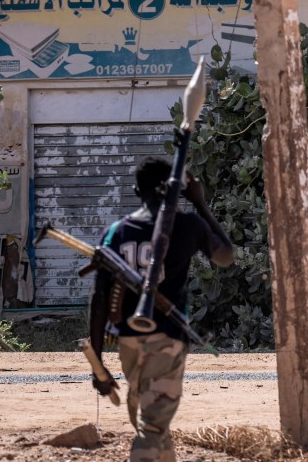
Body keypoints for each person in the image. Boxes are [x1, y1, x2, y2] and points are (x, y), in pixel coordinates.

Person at [89, 156, 234, 461]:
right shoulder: (189, 225)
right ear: (176, 190)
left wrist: (98, 364)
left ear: (135, 189)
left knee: (156, 421)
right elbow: (226, 256)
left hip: (128, 341)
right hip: (167, 340)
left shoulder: (116, 233)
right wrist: (201, 204)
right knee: (153, 426)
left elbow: (99, 300)